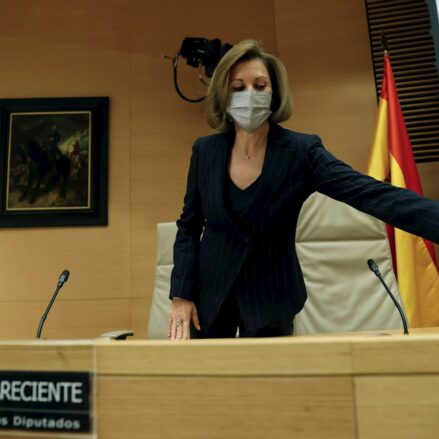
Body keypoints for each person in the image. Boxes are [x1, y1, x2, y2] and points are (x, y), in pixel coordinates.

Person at [168, 39, 439, 340]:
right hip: (208, 300)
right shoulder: (205, 151)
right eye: (238, 87)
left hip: (272, 300)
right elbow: (189, 226)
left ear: (274, 94)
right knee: (206, 385)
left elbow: (369, 193)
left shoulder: (301, 152)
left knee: (272, 387)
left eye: (260, 86)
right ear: (223, 94)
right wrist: (181, 294)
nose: (250, 95)